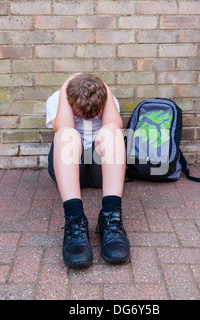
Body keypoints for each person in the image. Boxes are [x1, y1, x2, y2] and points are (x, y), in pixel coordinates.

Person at [46, 73, 130, 267]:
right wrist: (67, 85)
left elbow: (115, 124)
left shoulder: (106, 98)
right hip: (66, 168)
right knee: (67, 134)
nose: (87, 117)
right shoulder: (57, 99)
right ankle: (75, 220)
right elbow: (62, 126)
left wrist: (106, 90)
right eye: (81, 113)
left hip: (99, 171)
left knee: (112, 133)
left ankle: (111, 218)